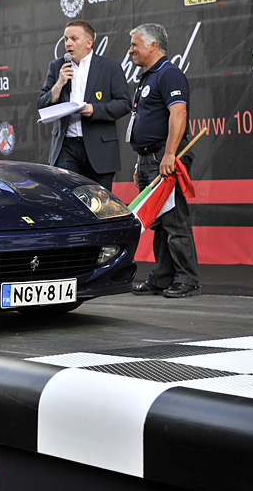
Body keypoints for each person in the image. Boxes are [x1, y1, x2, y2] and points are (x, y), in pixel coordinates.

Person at [127, 23, 200, 299]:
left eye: (135, 45)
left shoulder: (169, 74)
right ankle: (162, 276)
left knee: (174, 220)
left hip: (165, 156)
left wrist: (169, 155)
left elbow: (178, 114)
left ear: (153, 45)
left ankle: (188, 278)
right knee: (158, 222)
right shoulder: (146, 78)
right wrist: (139, 162)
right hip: (149, 158)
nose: (131, 50)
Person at [36, 20, 132, 191]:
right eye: (66, 39)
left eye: (74, 38)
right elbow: (41, 105)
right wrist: (59, 84)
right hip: (66, 147)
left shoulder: (109, 67)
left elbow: (124, 104)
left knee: (99, 203)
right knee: (69, 200)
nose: (68, 43)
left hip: (99, 147)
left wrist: (95, 110)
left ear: (89, 42)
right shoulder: (57, 66)